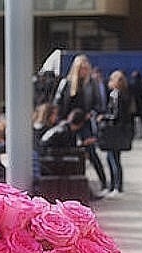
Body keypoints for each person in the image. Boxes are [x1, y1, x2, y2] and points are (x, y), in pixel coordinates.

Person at [54, 54, 108, 191]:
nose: (84, 71)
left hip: (85, 122)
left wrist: (92, 113)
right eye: (81, 68)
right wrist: (60, 120)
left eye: (86, 68)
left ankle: (104, 183)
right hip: (68, 123)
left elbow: (99, 103)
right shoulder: (66, 83)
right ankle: (71, 184)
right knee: (69, 153)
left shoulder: (92, 83)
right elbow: (57, 103)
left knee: (92, 153)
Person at [98, 70, 133, 197]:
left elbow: (115, 114)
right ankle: (116, 186)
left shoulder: (115, 94)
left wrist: (103, 117)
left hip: (113, 131)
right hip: (120, 130)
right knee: (114, 159)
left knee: (112, 159)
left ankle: (115, 186)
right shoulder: (125, 94)